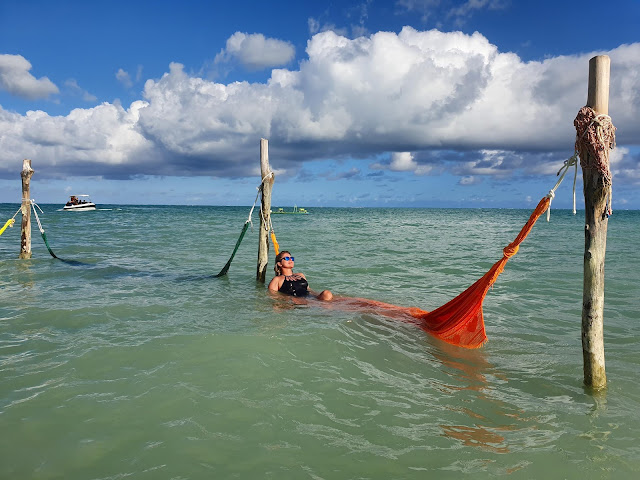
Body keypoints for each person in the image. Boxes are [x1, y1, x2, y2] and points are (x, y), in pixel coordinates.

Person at [268, 250, 333, 301]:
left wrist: (318, 295)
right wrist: (289, 300)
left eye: (292, 258)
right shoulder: (277, 279)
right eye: (287, 258)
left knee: (327, 294)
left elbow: (309, 289)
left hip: (311, 297)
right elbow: (272, 296)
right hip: (298, 301)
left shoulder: (300, 275)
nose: (290, 260)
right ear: (279, 263)